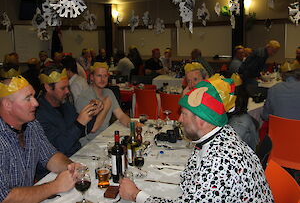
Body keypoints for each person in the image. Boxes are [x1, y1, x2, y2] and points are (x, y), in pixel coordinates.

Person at [119, 75, 273, 202]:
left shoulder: (219, 159)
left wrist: (136, 194)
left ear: (202, 119)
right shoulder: (216, 136)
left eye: (184, 114)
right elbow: (189, 177)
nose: (179, 119)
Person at [0, 76, 78, 202]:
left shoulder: (31, 125)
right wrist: (55, 186)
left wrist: (72, 168)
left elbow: (50, 156)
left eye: (34, 96)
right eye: (28, 98)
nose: (36, 103)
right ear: (8, 105)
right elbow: (5, 197)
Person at [36, 65, 107, 156]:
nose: (67, 91)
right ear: (48, 88)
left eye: (67, 87)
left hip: (77, 154)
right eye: (62, 88)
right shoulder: (39, 114)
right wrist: (79, 123)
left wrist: (92, 114)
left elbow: (81, 132)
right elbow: (57, 147)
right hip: (60, 163)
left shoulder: (66, 106)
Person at [75, 62, 141, 140]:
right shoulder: (85, 97)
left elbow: (120, 115)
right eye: (99, 76)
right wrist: (106, 106)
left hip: (104, 137)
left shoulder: (108, 92)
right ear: (92, 77)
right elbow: (93, 129)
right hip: (89, 142)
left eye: (105, 76)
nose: (102, 79)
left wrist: (132, 124)